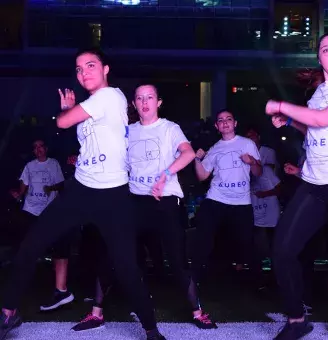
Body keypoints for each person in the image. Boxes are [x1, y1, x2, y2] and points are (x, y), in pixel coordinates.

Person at [0, 48, 164, 340]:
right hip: (80, 190)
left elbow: (62, 122)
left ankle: (152, 331)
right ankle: (8, 313)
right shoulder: (91, 106)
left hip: (113, 197)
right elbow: (76, 138)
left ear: (105, 69)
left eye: (90, 65)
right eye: (78, 69)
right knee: (30, 246)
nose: (83, 72)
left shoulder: (110, 96)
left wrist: (65, 111)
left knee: (126, 268)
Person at [71, 84, 217, 332]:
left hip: (165, 202)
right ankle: (96, 313)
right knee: (111, 254)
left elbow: (188, 153)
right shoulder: (126, 131)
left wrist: (165, 175)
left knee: (178, 262)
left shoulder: (169, 128)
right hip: (134, 202)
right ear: (134, 104)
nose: (145, 102)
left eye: (150, 97)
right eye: (139, 98)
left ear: (159, 102)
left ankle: (198, 311)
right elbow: (103, 147)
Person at [265, 32, 328, 339]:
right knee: (282, 251)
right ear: (318, 57)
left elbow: (325, 119)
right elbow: (314, 126)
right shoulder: (319, 92)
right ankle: (297, 320)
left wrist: (281, 105)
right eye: (326, 49)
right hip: (313, 184)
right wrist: (290, 122)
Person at [192, 110, 262, 284]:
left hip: (240, 202)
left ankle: (260, 283)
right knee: (203, 235)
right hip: (217, 198)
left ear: (235, 123)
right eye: (220, 120)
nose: (225, 122)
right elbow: (202, 176)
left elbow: (259, 172)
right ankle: (194, 279)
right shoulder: (214, 149)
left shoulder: (247, 144)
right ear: (217, 126)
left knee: (247, 241)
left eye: (228, 119)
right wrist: (196, 160)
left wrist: (252, 162)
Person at [10, 139, 74, 311]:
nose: (38, 149)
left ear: (46, 148)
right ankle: (22, 284)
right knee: (26, 248)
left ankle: (59, 286)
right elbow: (23, 187)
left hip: (48, 211)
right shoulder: (29, 166)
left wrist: (51, 188)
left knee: (57, 246)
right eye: (35, 147)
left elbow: (61, 185)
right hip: (30, 210)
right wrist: (18, 194)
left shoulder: (53, 164)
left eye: (40, 146)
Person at [245, 129, 281, 289]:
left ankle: (275, 279)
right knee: (257, 250)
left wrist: (264, 193)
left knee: (275, 249)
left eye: (252, 135)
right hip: (255, 214)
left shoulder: (266, 167)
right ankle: (258, 281)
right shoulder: (244, 166)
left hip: (271, 216)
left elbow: (280, 188)